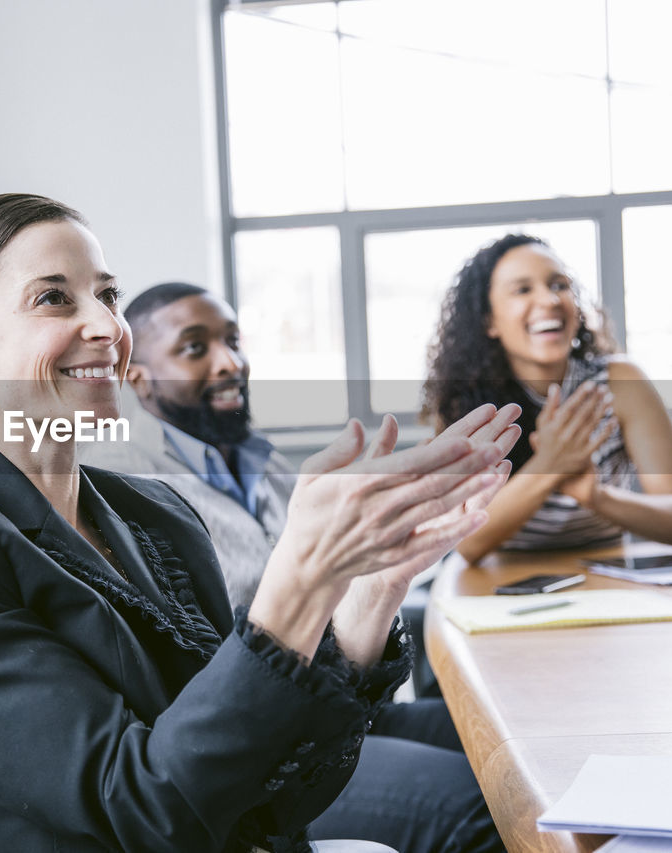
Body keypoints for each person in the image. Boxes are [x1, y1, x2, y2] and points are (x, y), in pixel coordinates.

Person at [0, 193, 519, 853]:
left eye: (108, 295)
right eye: (53, 298)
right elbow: (145, 810)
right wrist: (301, 571)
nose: (108, 326)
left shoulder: (154, 513)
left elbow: (280, 800)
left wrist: (369, 590)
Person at [85, 282, 508, 853]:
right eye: (195, 348)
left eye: (233, 340)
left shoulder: (266, 462)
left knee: (503, 738)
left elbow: (340, 583)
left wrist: (386, 555)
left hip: (337, 697)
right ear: (137, 374)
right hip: (269, 741)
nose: (230, 362)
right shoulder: (126, 484)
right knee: (487, 803)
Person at [421, 233, 672, 564]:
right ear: (489, 321)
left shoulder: (620, 382)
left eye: (559, 285)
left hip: (606, 574)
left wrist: (596, 496)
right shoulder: (466, 400)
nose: (550, 299)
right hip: (499, 582)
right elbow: (467, 543)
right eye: (523, 289)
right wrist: (550, 467)